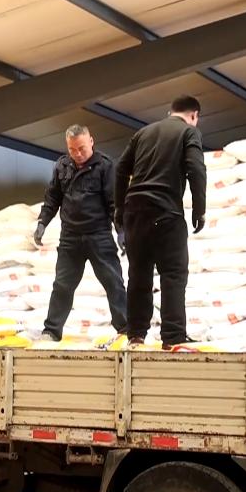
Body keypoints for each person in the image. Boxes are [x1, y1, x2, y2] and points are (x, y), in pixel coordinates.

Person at [115, 95, 207, 348]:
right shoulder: (189, 132)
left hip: (135, 212)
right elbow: (196, 169)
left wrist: (119, 209)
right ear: (194, 115)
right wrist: (199, 209)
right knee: (173, 274)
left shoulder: (142, 133)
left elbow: (121, 169)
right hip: (166, 211)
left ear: (170, 112)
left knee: (139, 274)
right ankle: (173, 337)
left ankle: (136, 336)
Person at [34, 124, 127, 341]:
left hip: (99, 235)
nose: (77, 154)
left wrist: (122, 231)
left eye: (82, 148)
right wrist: (42, 222)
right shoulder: (62, 166)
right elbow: (52, 198)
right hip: (70, 238)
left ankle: (125, 328)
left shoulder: (105, 166)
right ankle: (52, 331)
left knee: (113, 282)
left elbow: (115, 203)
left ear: (91, 141)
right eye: (72, 149)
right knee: (62, 285)